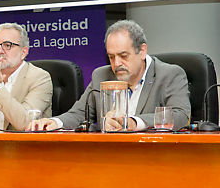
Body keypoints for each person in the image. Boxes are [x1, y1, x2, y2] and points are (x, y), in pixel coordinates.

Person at [31, 20, 190, 131]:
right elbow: (79, 114)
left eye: (123, 56)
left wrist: (134, 122)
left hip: (154, 159)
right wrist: (54, 122)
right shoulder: (101, 75)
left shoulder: (169, 74)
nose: (117, 64)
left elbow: (180, 116)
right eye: (111, 57)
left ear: (142, 51)